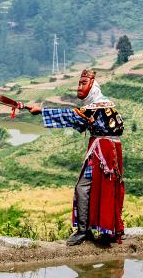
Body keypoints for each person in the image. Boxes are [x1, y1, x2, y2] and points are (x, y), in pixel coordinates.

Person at [20, 69, 125, 245]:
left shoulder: (94, 107)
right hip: (112, 151)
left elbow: (71, 116)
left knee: (82, 188)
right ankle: (108, 230)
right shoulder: (107, 104)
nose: (79, 87)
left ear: (93, 87)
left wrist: (41, 111)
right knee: (107, 187)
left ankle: (84, 231)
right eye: (79, 83)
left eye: (83, 84)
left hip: (101, 151)